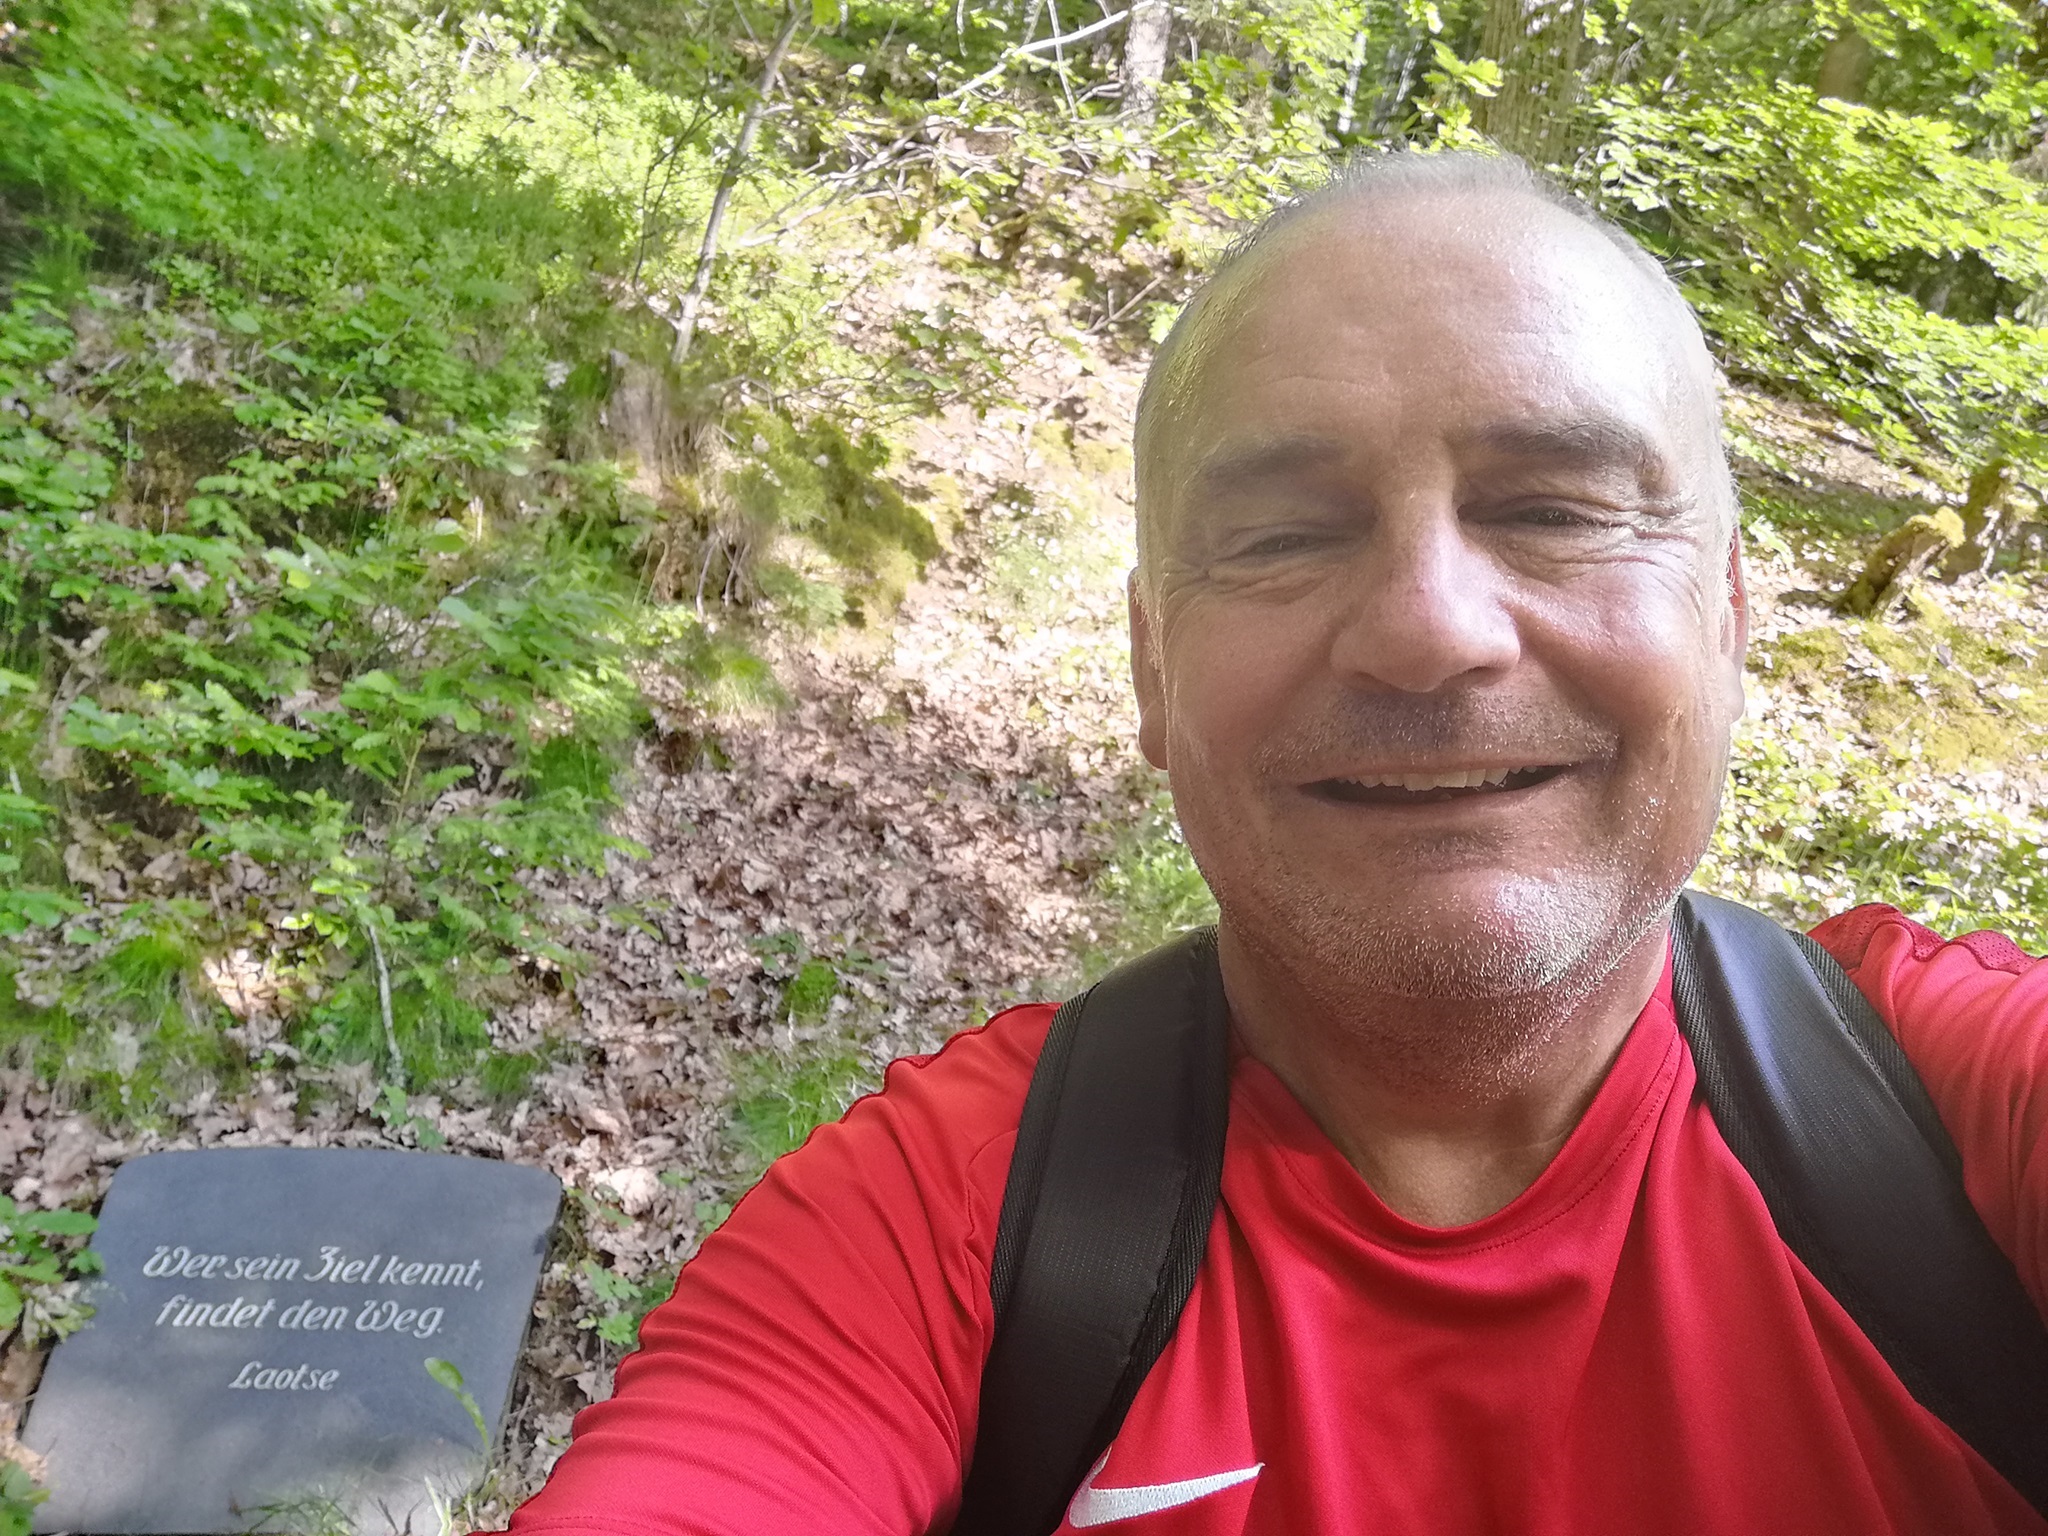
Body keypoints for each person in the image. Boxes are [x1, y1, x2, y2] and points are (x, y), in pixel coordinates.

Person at [507, 152, 2048, 1535]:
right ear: (1151, 669)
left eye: (1557, 510)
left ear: (1727, 617)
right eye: (1286, 536)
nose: (1429, 629)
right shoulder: (932, 1228)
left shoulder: (1962, 1114)